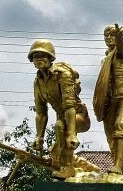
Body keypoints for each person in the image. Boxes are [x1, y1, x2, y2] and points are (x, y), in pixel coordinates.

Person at [29, 39, 91, 179]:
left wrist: (71, 134)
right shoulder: (37, 82)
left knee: (60, 125)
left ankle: (68, 169)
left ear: (50, 57)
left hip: (78, 117)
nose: (39, 59)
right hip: (62, 119)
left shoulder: (63, 75)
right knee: (55, 152)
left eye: (42, 55)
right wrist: (39, 137)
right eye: (35, 56)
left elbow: (70, 106)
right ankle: (73, 168)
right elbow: (41, 113)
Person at [92, 23, 123, 175]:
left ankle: (119, 166)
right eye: (106, 35)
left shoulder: (122, 54)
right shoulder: (105, 60)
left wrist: (120, 36)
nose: (109, 38)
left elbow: (122, 47)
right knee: (110, 136)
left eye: (112, 35)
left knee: (120, 126)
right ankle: (115, 164)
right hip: (109, 101)